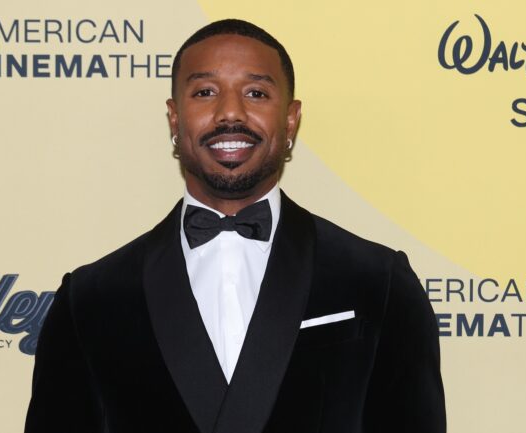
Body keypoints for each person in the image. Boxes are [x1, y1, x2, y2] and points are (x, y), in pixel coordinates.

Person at [25, 18, 446, 433]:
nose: (230, 112)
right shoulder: (92, 300)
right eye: (205, 92)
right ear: (174, 119)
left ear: (291, 119)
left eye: (256, 92)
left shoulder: (379, 282)